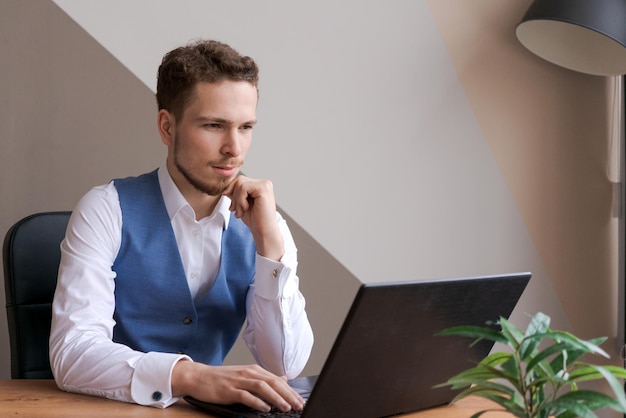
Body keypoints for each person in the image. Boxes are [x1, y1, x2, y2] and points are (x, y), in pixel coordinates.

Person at [49, 39, 314, 414]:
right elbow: (73, 354)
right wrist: (192, 376)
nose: (234, 148)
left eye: (246, 127)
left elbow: (284, 366)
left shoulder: (267, 225)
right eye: (214, 126)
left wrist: (270, 250)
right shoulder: (107, 209)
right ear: (167, 126)